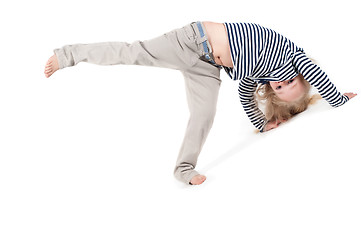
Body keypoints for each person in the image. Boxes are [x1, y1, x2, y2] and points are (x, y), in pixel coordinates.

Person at [44, 21, 357, 185]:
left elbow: (244, 95)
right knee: (131, 52)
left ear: (273, 94)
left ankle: (184, 168)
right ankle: (67, 54)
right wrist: (339, 100)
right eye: (291, 80)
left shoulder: (257, 75)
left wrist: (262, 124)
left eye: (282, 89)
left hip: (208, 65)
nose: (284, 83)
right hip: (191, 40)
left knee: (204, 114)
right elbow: (317, 75)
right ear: (301, 72)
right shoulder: (292, 55)